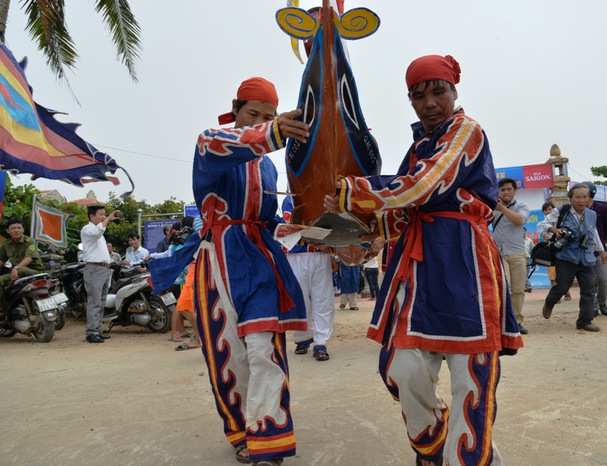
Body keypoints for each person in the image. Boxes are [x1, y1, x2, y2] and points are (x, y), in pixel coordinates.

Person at [323, 54, 523, 466]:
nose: (429, 102)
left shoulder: (467, 130)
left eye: (439, 91)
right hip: (418, 265)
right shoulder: (418, 146)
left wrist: (354, 191)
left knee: (471, 376)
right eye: (419, 95)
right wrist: (354, 234)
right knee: (401, 368)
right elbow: (399, 212)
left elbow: (427, 185)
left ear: (454, 92)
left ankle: (466, 458)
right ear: (410, 101)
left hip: (465, 261)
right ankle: (437, 445)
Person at [147, 76, 309, 466]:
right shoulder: (211, 142)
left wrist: (300, 227)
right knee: (229, 355)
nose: (260, 121)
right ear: (235, 108)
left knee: (263, 347)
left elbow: (267, 217)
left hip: (260, 257)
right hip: (218, 257)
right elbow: (232, 144)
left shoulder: (269, 167)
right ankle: (240, 430)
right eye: (253, 113)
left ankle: (268, 436)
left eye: (269, 116)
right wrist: (271, 131)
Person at [540, 184, 607, 332]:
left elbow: (594, 233)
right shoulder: (562, 211)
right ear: (571, 198)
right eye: (578, 197)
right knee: (563, 287)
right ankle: (549, 302)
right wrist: (554, 229)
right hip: (566, 256)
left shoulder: (591, 214)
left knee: (589, 290)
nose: (582, 200)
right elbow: (543, 223)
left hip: (586, 257)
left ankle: (585, 321)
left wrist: (602, 250)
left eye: (585, 197)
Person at [282, 196, 336, 362]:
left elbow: (335, 225)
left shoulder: (327, 197)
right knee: (301, 300)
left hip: (321, 255)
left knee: (323, 300)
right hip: (296, 255)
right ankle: (302, 338)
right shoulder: (291, 199)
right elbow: (292, 227)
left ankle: (321, 342)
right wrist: (317, 240)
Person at [492, 177, 530, 334]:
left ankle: (517, 321)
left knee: (518, 289)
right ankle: (501, 322)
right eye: (502, 189)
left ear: (515, 191)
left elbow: (519, 220)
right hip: (498, 253)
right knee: (503, 288)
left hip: (517, 253)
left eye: (509, 189)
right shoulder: (492, 206)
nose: (506, 192)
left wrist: (502, 209)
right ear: (498, 191)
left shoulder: (522, 206)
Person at [81, 206, 121, 343]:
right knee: (95, 302)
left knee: (101, 302)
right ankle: (91, 332)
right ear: (92, 216)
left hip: (104, 269)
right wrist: (109, 219)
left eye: (105, 214)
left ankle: (97, 330)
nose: (104, 217)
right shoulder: (88, 229)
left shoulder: (100, 233)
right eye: (101, 214)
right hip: (94, 269)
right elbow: (97, 233)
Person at [0, 219, 45, 315]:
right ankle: (2, 309)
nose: (16, 230)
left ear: (23, 230)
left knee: (21, 270)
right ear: (7, 231)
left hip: (34, 271)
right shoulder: (5, 245)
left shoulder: (30, 242)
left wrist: (16, 268)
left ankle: (8, 292)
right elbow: (2, 261)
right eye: (13, 228)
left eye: (18, 228)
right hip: (17, 273)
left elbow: (29, 258)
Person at [581, 181, 607, 317]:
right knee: (588, 281)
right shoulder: (577, 210)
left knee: (604, 279)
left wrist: (603, 248)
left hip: (600, 251)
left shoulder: (602, 209)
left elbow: (605, 229)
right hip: (583, 252)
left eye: (585, 194)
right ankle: (593, 306)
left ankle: (602, 302)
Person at [537, 201, 571, 302]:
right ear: (543, 212)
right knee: (552, 274)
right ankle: (556, 295)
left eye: (550, 209)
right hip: (551, 251)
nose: (548, 211)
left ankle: (566, 291)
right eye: (546, 210)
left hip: (563, 250)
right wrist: (555, 241)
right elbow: (544, 235)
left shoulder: (561, 222)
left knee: (563, 272)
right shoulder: (541, 224)